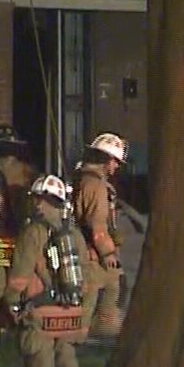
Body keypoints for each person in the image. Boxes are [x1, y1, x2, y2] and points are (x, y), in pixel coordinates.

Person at [3, 174, 87, 367]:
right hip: (70, 309)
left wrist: (11, 302)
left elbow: (21, 273)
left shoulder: (34, 232)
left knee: (40, 361)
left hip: (41, 309)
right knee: (66, 356)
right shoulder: (73, 233)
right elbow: (86, 273)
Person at [71, 133, 129, 339]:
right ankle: (82, 337)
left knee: (111, 287)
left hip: (88, 249)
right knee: (97, 292)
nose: (117, 166)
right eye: (115, 161)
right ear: (105, 159)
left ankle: (97, 333)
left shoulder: (83, 179)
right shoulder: (95, 185)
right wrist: (108, 253)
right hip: (93, 253)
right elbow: (97, 226)